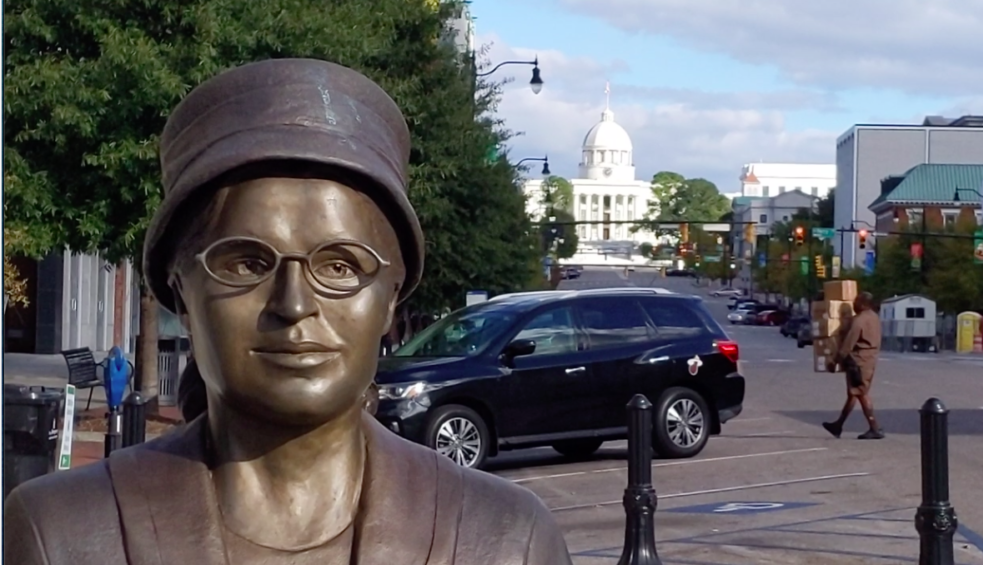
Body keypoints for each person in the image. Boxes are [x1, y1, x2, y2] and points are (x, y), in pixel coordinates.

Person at [4, 59, 572, 565]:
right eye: (247, 263)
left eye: (342, 266)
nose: (295, 304)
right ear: (181, 291)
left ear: (391, 297)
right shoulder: (62, 533)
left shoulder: (505, 539)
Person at [822, 291, 884, 440]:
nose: (854, 304)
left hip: (858, 361)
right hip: (869, 359)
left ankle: (874, 427)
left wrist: (835, 361)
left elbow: (848, 344)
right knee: (854, 393)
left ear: (863, 304)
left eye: (856, 301)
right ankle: (838, 425)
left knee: (860, 392)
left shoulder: (859, 321)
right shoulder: (874, 317)